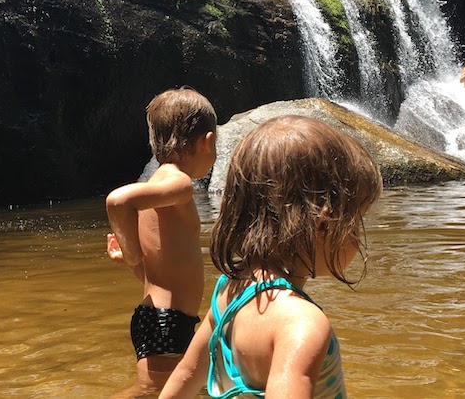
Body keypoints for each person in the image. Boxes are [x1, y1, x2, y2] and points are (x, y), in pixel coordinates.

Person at [159, 115, 383, 399]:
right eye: (356, 221)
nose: (358, 238)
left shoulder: (229, 291)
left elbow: (186, 375)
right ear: (324, 223)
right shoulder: (302, 324)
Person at [106, 86, 218, 398]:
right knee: (150, 393)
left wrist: (135, 262)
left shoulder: (158, 186)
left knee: (163, 392)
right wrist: (131, 257)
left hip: (160, 319)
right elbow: (117, 201)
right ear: (207, 142)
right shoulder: (179, 183)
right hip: (166, 323)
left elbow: (157, 275)